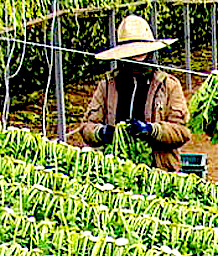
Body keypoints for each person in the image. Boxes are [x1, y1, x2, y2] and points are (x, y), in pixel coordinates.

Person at [80, 14, 191, 172]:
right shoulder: (107, 85)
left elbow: (182, 132)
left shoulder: (168, 85)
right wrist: (103, 132)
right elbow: (86, 127)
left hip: (158, 171)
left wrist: (150, 130)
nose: (136, 59)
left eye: (141, 53)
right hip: (116, 171)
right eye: (131, 54)